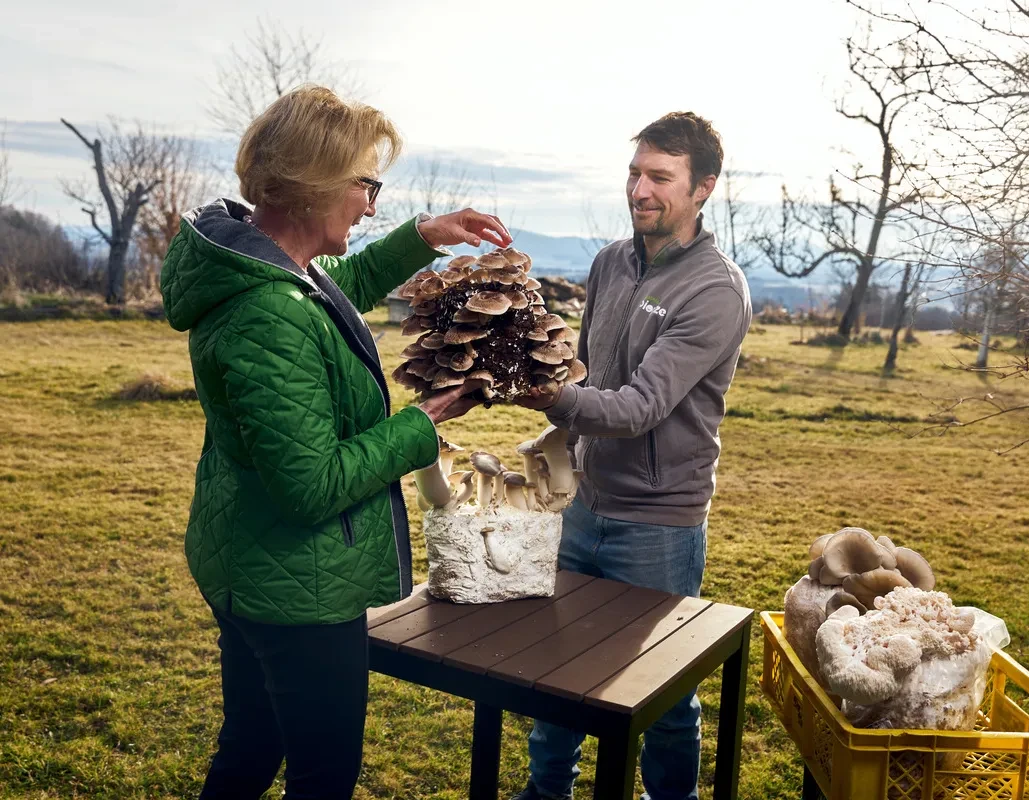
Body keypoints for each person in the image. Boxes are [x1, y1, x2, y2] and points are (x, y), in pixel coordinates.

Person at [159, 84, 510, 799]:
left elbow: (333, 286)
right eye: (366, 184)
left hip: (252, 563)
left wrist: (425, 235)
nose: (372, 203)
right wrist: (427, 420)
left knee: (251, 750)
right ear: (315, 186)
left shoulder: (273, 278)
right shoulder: (269, 314)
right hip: (295, 590)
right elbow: (310, 485)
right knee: (321, 778)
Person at [513, 112, 752, 800]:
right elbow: (586, 369)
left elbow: (641, 406)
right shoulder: (611, 261)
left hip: (658, 523)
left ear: (703, 187)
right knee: (553, 667)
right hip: (583, 504)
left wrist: (546, 398)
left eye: (660, 177)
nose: (640, 189)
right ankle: (547, 790)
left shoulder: (714, 289)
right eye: (634, 172)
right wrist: (558, 438)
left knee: (665, 691)